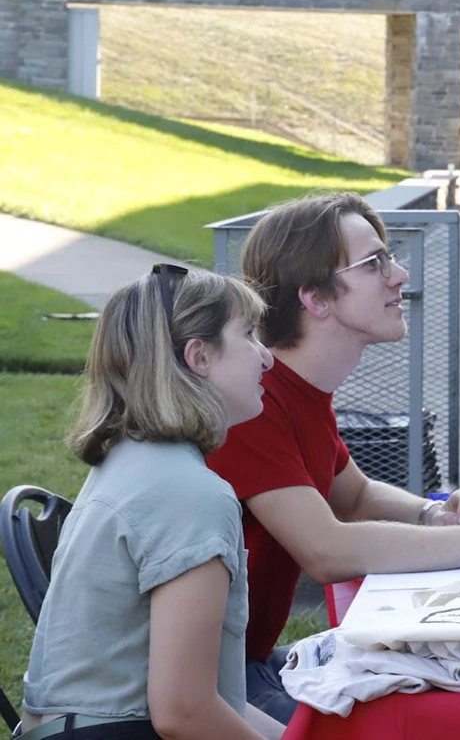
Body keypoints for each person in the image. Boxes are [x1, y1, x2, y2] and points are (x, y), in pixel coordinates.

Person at [207, 193, 460, 723]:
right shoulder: (254, 402)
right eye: (374, 263)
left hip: (245, 665)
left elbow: (353, 496)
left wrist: (430, 514)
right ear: (316, 299)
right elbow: (326, 551)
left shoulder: (299, 389)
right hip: (212, 687)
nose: (399, 274)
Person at [21, 266, 285, 740]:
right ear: (199, 356)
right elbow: (183, 712)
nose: (266, 358)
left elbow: (209, 699)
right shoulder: (189, 493)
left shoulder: (133, 462)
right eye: (248, 334)